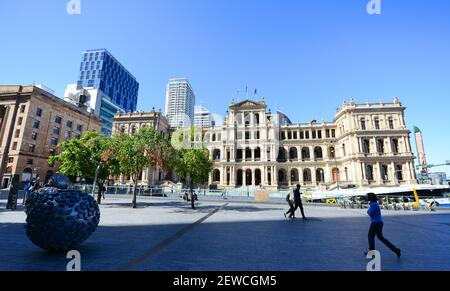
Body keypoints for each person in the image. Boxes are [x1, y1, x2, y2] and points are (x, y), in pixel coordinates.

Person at [366, 193, 401, 258]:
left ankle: (372, 252)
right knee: (380, 238)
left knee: (370, 237)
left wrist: (368, 210)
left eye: (367, 196)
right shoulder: (375, 204)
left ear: (370, 198)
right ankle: (395, 250)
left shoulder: (373, 205)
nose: (366, 197)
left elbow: (370, 213)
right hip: (379, 223)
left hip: (375, 223)